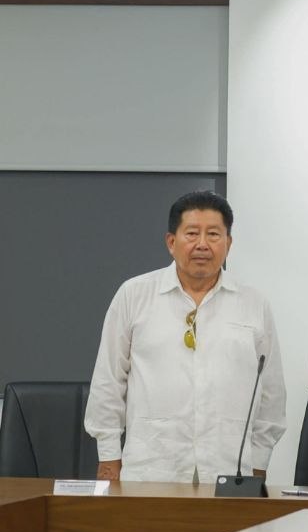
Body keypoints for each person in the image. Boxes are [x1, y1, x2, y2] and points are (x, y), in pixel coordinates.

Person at [85, 191, 286, 482]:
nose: (202, 244)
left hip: (229, 471)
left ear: (228, 244)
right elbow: (108, 382)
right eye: (192, 233)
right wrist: (108, 460)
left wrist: (258, 465)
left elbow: (271, 393)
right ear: (171, 242)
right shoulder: (134, 295)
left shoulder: (254, 304)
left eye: (213, 234)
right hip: (150, 471)